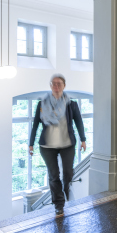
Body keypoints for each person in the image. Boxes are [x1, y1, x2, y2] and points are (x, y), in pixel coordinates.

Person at [29, 74, 87, 215]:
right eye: (53, 84)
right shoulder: (42, 104)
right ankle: (59, 204)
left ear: (64, 86)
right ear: (50, 86)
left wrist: (83, 139)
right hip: (47, 146)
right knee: (53, 175)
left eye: (59, 83)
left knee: (68, 173)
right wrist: (30, 143)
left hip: (67, 144)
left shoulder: (71, 104)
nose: (56, 86)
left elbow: (78, 121)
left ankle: (65, 187)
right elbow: (35, 123)